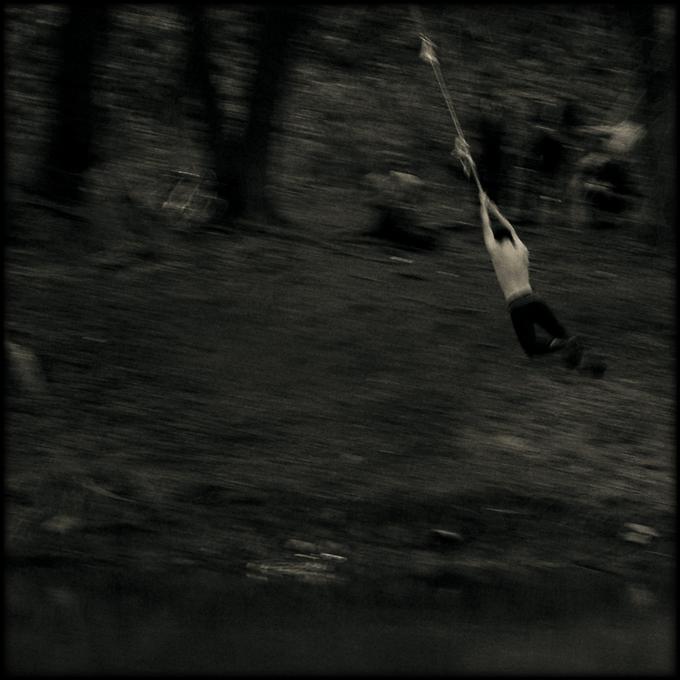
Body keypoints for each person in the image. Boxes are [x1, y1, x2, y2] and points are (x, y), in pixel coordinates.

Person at [478, 189, 582, 365]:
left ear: (496, 239)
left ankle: (564, 346)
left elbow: (486, 228)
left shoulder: (495, 251)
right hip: (534, 300)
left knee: (530, 346)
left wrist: (483, 206)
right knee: (561, 333)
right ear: (510, 237)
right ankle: (574, 355)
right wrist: (495, 211)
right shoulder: (521, 248)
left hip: (517, 305)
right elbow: (511, 229)